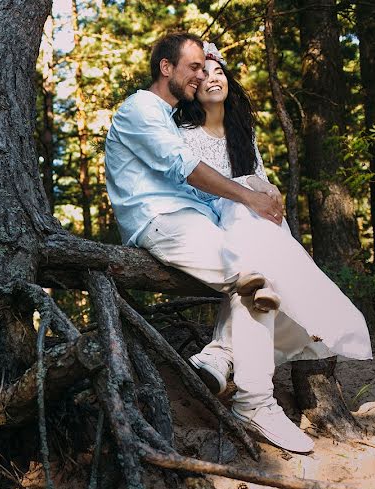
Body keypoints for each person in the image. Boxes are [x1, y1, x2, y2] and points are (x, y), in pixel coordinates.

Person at [105, 32, 318, 453]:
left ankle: (219, 359)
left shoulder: (168, 117)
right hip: (162, 221)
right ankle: (254, 402)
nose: (201, 75)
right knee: (257, 278)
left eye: (205, 67)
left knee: (259, 272)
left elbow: (204, 183)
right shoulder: (139, 110)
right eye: (194, 67)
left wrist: (259, 193)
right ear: (166, 68)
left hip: (196, 221)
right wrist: (248, 196)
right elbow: (182, 166)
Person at [173, 44, 372, 408]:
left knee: (260, 225)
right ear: (193, 86)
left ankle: (220, 355)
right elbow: (187, 182)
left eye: (220, 73)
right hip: (209, 220)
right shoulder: (184, 132)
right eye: (205, 75)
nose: (213, 79)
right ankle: (239, 353)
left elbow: (259, 180)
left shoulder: (241, 132)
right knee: (247, 217)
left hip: (247, 219)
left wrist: (267, 188)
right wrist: (248, 191)